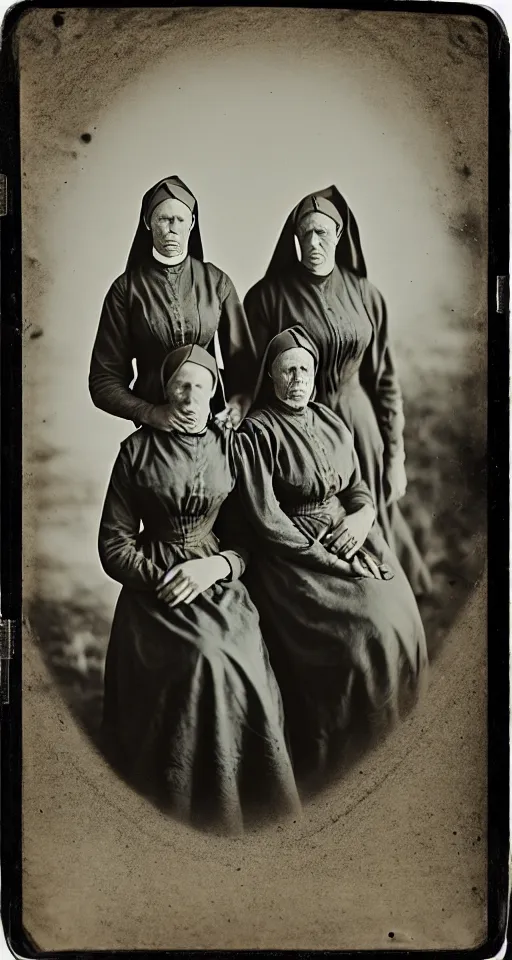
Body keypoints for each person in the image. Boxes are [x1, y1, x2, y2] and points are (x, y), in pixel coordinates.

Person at [98, 343, 300, 834]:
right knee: (201, 659)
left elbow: (246, 540)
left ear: (214, 391)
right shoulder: (136, 451)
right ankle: (181, 808)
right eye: (180, 386)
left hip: (216, 579)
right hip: (157, 593)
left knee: (242, 654)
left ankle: (251, 805)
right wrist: (161, 578)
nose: (190, 397)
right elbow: (113, 544)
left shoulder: (229, 446)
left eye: (200, 385)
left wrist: (216, 569)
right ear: (165, 390)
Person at [234, 326, 428, 793]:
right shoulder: (256, 434)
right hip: (295, 558)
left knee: (403, 617)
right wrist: (333, 561)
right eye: (287, 371)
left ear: (316, 373)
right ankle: (347, 761)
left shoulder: (330, 420)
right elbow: (266, 522)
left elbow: (357, 486)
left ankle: (399, 748)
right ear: (272, 378)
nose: (298, 378)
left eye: (304, 369)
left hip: (351, 532)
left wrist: (362, 517)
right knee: (364, 633)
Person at [243, 186, 432, 596]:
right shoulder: (266, 298)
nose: (314, 243)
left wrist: (396, 454)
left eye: (323, 233)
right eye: (305, 234)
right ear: (294, 238)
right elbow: (251, 382)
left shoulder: (366, 295)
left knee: (370, 517)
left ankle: (385, 599)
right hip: (292, 434)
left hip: (358, 428)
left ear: (340, 236)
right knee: (310, 537)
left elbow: (384, 380)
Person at [89, 175, 256, 431]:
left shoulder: (217, 282)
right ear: (147, 222)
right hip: (156, 431)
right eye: (163, 219)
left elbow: (245, 367)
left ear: (192, 222)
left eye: (179, 220)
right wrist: (150, 412)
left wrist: (238, 404)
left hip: (211, 426)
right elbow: (103, 381)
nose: (172, 228)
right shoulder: (126, 290)